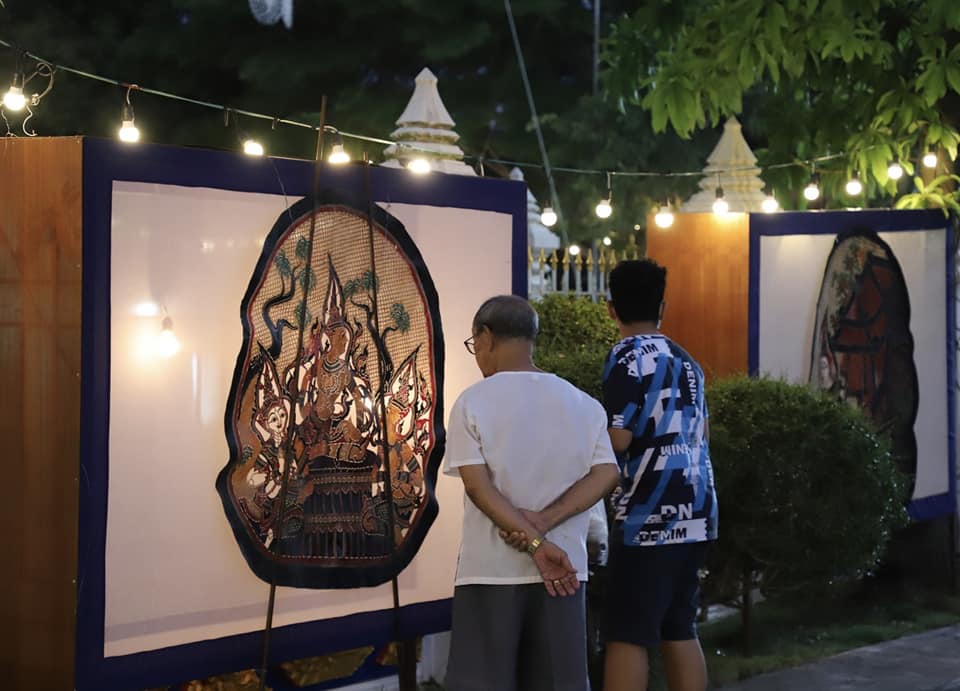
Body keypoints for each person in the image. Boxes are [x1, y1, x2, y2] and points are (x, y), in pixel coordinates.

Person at [443, 295, 621, 691]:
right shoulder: (583, 404)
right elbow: (607, 473)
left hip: (489, 571)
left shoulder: (472, 403)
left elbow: (478, 487)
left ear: (485, 337)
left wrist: (533, 539)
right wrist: (543, 525)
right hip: (565, 572)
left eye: (474, 345)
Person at [601, 259, 718, 691]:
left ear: (611, 308)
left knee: (627, 632)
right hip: (698, 510)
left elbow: (618, 438)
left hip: (648, 515)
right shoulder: (688, 362)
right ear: (662, 307)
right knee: (679, 625)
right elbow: (702, 433)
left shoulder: (625, 357)